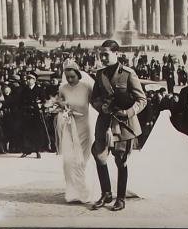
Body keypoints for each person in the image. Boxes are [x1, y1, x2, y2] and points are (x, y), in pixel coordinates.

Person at [90, 39, 147, 212]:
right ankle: (106, 193)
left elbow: (142, 100)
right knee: (99, 155)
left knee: (120, 160)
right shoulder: (100, 75)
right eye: (101, 55)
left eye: (106, 55)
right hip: (105, 121)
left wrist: (129, 112)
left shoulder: (128, 74)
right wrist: (101, 106)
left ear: (116, 54)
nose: (103, 58)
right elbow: (94, 99)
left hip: (123, 123)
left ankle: (120, 198)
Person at [55, 59, 94, 203]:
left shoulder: (86, 87)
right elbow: (61, 103)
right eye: (67, 77)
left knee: (82, 161)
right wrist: (62, 108)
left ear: (79, 74)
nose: (70, 79)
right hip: (69, 127)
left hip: (85, 127)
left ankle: (84, 192)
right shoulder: (63, 88)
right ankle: (72, 192)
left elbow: (95, 104)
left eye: (72, 76)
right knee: (68, 160)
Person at [19, 73, 47, 158]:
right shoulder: (24, 90)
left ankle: (37, 150)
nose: (27, 80)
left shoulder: (39, 89)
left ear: (34, 80)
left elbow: (43, 100)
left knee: (37, 132)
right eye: (27, 79)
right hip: (27, 113)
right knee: (26, 132)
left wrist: (41, 105)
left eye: (29, 79)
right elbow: (20, 100)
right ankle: (26, 150)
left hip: (36, 113)